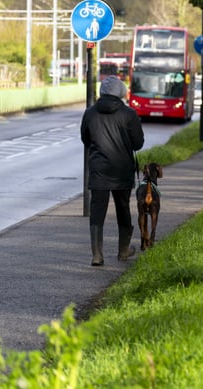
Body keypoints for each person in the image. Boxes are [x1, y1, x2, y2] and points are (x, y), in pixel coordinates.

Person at [80, 76, 145, 267]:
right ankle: (123, 250)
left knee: (97, 210)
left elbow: (85, 139)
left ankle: (97, 255)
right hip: (122, 170)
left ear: (101, 91)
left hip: (99, 169)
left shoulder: (90, 113)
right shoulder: (129, 114)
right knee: (123, 208)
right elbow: (138, 144)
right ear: (121, 92)